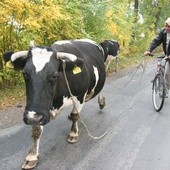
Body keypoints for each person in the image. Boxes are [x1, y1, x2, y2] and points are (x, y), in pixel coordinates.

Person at [144, 17, 170, 97]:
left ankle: (166, 89)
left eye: (168, 26)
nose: (166, 28)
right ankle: (161, 82)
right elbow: (156, 41)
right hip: (167, 54)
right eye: (166, 26)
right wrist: (149, 50)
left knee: (167, 73)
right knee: (161, 65)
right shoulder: (163, 31)